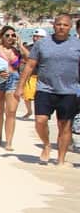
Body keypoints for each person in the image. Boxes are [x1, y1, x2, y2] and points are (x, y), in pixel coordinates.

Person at [21, 13, 80, 165]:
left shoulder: (77, 45)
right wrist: (20, 86)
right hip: (44, 88)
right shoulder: (42, 44)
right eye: (59, 24)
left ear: (70, 27)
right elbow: (30, 65)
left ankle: (61, 159)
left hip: (69, 91)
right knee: (40, 121)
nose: (62, 27)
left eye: (65, 25)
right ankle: (46, 144)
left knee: (64, 126)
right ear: (54, 25)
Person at [0, 25, 27, 150]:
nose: (10, 37)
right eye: (7, 35)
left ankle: (9, 142)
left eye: (13, 35)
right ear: (2, 36)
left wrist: (21, 45)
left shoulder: (17, 51)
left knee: (11, 111)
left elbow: (31, 59)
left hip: (14, 79)